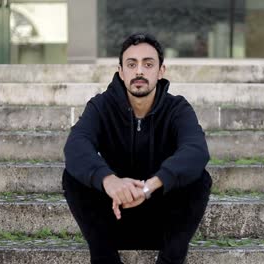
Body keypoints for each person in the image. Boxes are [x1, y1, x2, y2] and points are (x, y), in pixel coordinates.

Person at [62, 33, 212, 264]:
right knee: (73, 176)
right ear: (121, 71)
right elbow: (76, 146)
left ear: (161, 71)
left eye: (148, 64)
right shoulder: (101, 106)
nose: (139, 71)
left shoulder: (177, 109)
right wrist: (109, 181)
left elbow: (196, 150)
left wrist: (150, 187)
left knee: (199, 177)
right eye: (132, 64)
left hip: (163, 224)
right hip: (114, 218)